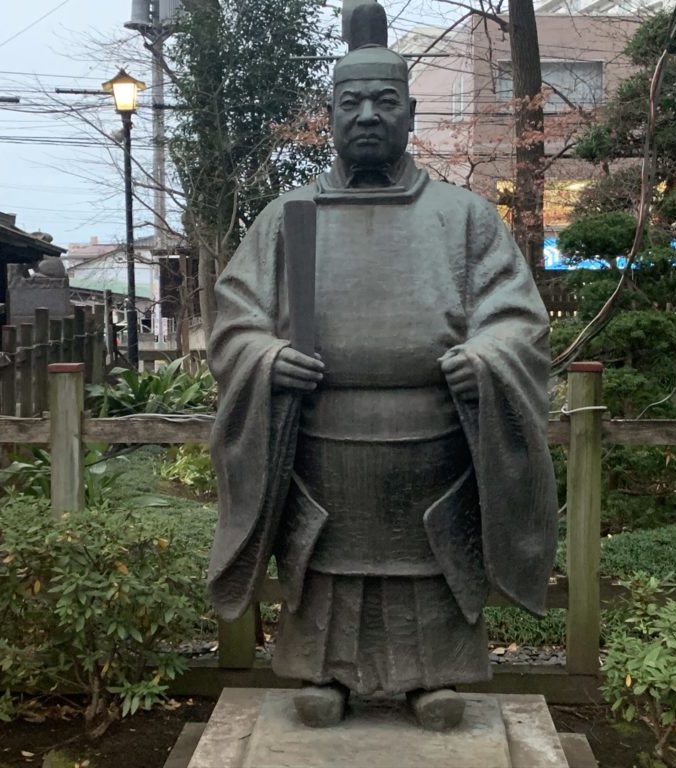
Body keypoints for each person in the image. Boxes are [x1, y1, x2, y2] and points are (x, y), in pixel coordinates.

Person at [206, 1, 557, 731]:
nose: (367, 114)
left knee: (430, 565)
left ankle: (433, 678)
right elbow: (234, 318)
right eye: (350, 101)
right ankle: (325, 674)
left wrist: (485, 357)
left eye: (384, 101)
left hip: (434, 439)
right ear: (329, 114)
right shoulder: (287, 217)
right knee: (327, 561)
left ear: (411, 113)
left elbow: (517, 318)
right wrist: (268, 358)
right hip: (320, 438)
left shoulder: (464, 218)